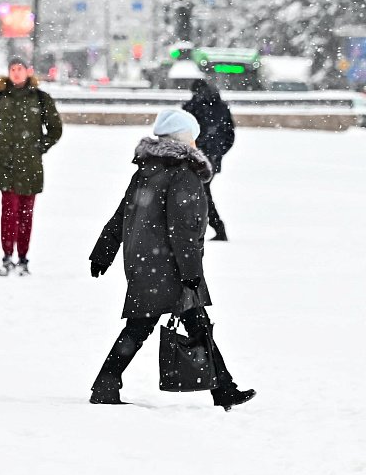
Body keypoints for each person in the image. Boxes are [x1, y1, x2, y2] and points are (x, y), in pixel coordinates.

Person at [88, 109, 255, 410]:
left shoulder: (146, 170)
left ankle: (224, 389)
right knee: (145, 327)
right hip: (171, 267)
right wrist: (191, 272)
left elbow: (122, 214)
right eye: (192, 136)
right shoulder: (183, 173)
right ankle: (105, 385)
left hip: (147, 263)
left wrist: (104, 251)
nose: (195, 142)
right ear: (183, 138)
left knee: (192, 324)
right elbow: (184, 230)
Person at [0, 57, 63, 276]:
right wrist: (1, 144)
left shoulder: (41, 98)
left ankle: (23, 258)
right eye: (13, 69)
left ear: (28, 72)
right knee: (9, 213)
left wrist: (39, 147)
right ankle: (7, 256)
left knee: (26, 215)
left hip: (31, 166)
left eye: (20, 69)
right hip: (6, 165)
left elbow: (55, 129)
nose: (16, 73)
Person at [182, 79, 235, 241]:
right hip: (212, 158)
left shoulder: (192, 107)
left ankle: (211, 228)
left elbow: (184, 134)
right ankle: (208, 228)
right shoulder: (221, 107)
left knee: (199, 194)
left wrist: (193, 152)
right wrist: (217, 153)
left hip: (196, 157)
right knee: (201, 193)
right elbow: (229, 135)